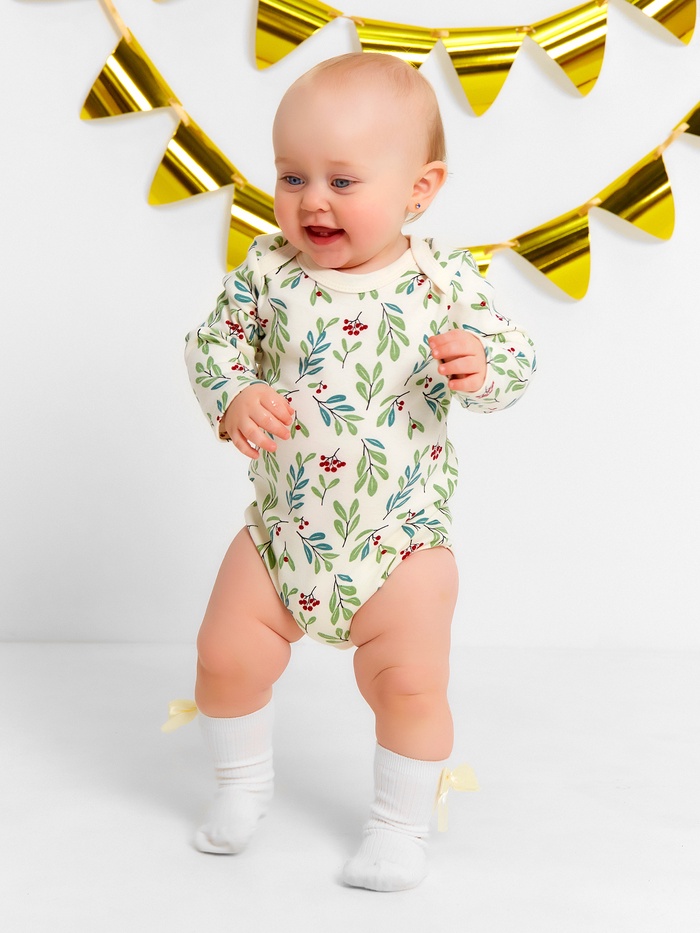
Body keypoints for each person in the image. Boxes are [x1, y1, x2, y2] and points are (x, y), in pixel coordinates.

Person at [182, 51, 535, 892]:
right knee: (224, 655)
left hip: (399, 542)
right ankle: (240, 785)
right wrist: (234, 395)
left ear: (420, 189)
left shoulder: (442, 280)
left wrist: (483, 365)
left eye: (342, 181)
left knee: (408, 683)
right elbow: (211, 346)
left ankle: (398, 827)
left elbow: (518, 357)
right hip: (282, 534)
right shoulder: (268, 271)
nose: (313, 201)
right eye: (292, 176)